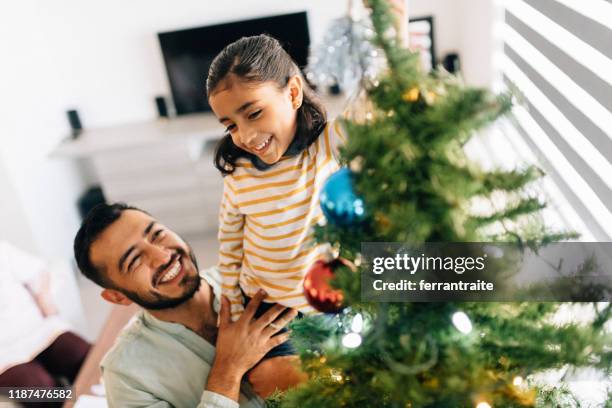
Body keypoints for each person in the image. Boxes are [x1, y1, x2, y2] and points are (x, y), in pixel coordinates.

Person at [205, 0, 408, 393]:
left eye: (254, 113)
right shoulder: (240, 175)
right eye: (230, 125)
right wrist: (230, 308)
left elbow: (377, 96)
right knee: (273, 381)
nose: (245, 136)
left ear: (293, 93)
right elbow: (230, 241)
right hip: (269, 313)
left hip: (328, 300)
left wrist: (392, 23)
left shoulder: (328, 147)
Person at [73, 203, 300, 407]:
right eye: (135, 260)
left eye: (157, 234)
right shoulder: (126, 378)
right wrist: (227, 370)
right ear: (117, 297)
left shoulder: (257, 278)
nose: (163, 257)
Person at [0, 241, 91, 407]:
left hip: (37, 329)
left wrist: (45, 300)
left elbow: (38, 272)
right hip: (4, 358)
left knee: (82, 354)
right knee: (40, 392)